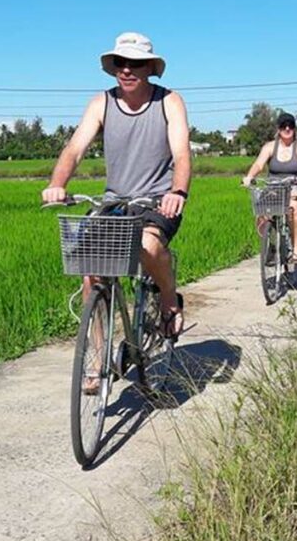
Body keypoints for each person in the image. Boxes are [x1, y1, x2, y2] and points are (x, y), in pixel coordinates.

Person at [42, 32, 191, 392]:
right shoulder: (101, 103)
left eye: (136, 63)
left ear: (149, 68)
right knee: (92, 272)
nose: (127, 70)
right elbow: (75, 149)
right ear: (113, 69)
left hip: (157, 199)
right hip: (115, 202)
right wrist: (57, 182)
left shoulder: (168, 101)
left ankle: (168, 295)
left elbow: (182, 152)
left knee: (149, 246)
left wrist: (178, 191)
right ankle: (97, 358)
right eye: (121, 63)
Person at [241, 113, 297, 263]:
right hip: (274, 186)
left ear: (294, 128)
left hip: (294, 185)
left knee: (293, 206)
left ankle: (296, 249)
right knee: (263, 210)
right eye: (283, 126)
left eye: (290, 125)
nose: (287, 128)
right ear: (278, 129)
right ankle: (272, 243)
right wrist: (250, 177)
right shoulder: (270, 147)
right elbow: (259, 164)